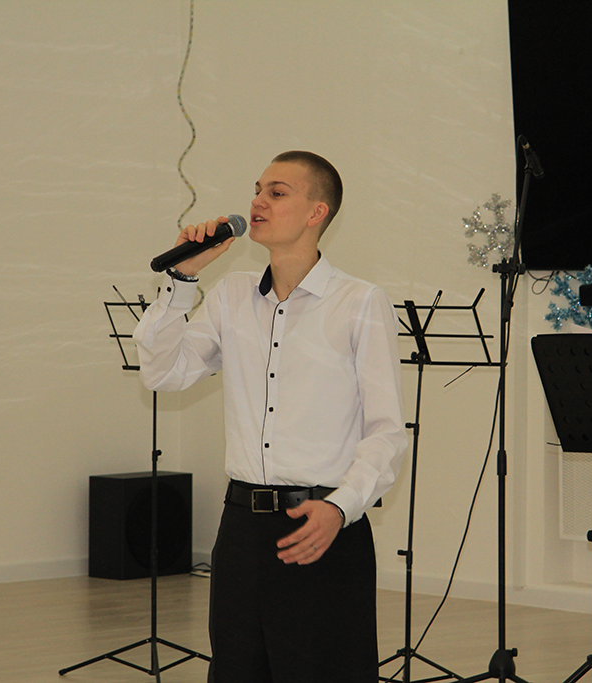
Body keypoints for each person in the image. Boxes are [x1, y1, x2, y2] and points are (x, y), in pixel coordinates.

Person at [134, 150, 407, 682]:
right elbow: (163, 373)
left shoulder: (359, 302)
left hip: (321, 525)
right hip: (241, 529)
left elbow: (387, 432)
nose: (258, 201)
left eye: (277, 192)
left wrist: (341, 508)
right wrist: (184, 275)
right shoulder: (231, 295)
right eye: (257, 189)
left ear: (316, 212)